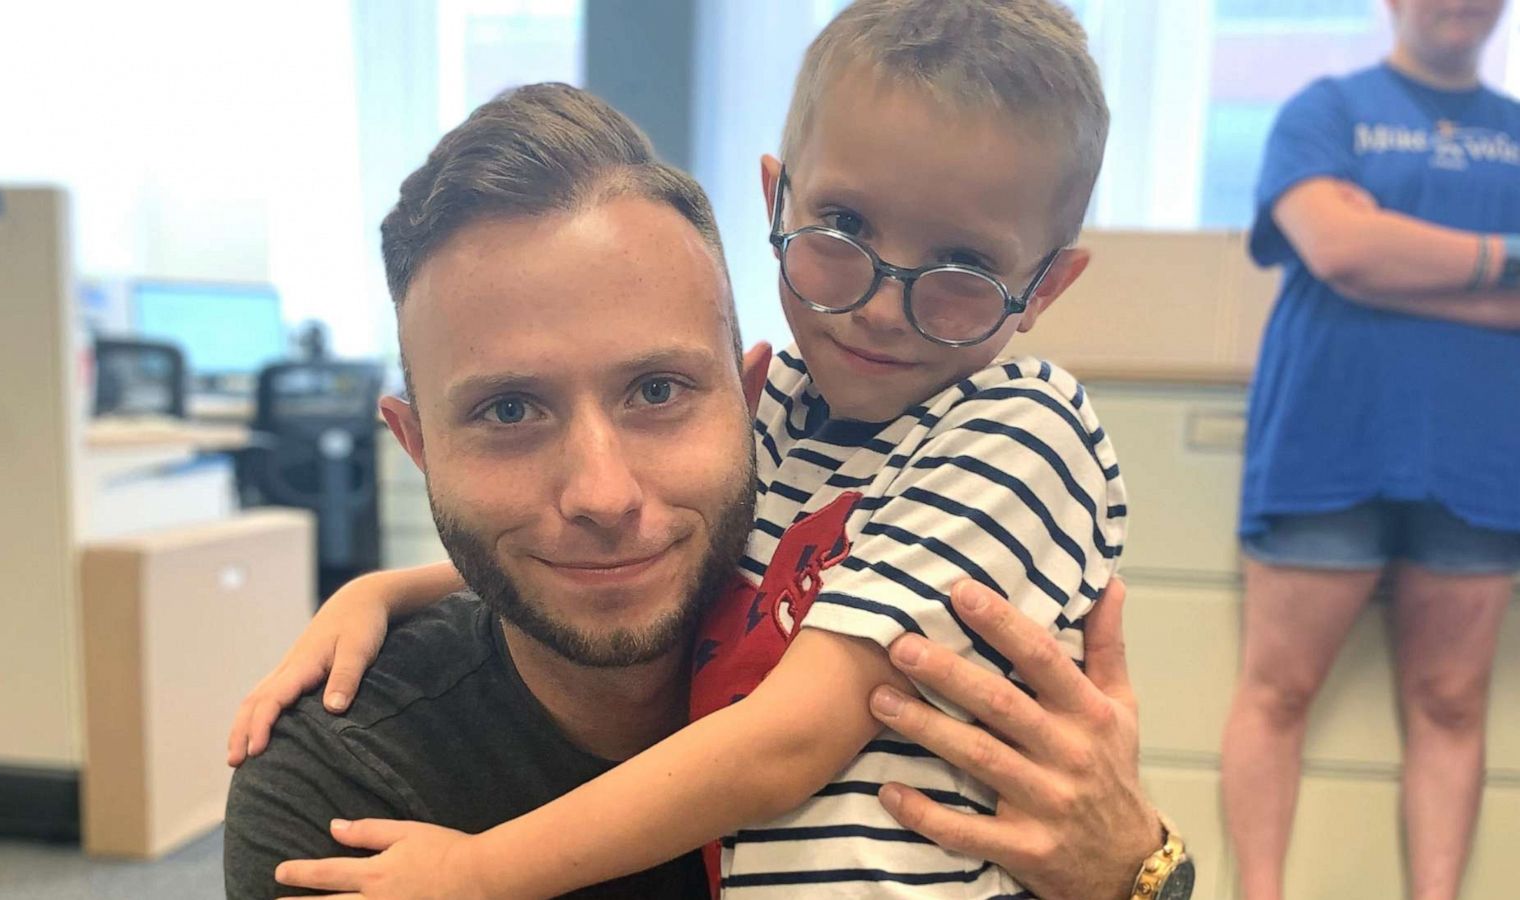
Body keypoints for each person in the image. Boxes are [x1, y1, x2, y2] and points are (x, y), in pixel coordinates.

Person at [239, 4, 1181, 899]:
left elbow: (789, 737)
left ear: (1048, 285)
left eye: (658, 392)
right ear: (779, 200)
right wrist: (385, 589)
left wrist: (480, 875)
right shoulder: (799, 415)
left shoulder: (1017, 430)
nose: (883, 303)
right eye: (846, 228)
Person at [1220, 2, 1520, 899]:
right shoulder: (1325, 110)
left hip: (1482, 461)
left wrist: (1395, 257)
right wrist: (1506, 261)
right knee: (1277, 694)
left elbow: (1363, 257)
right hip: (1327, 443)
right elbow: (1339, 247)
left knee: (1453, 705)